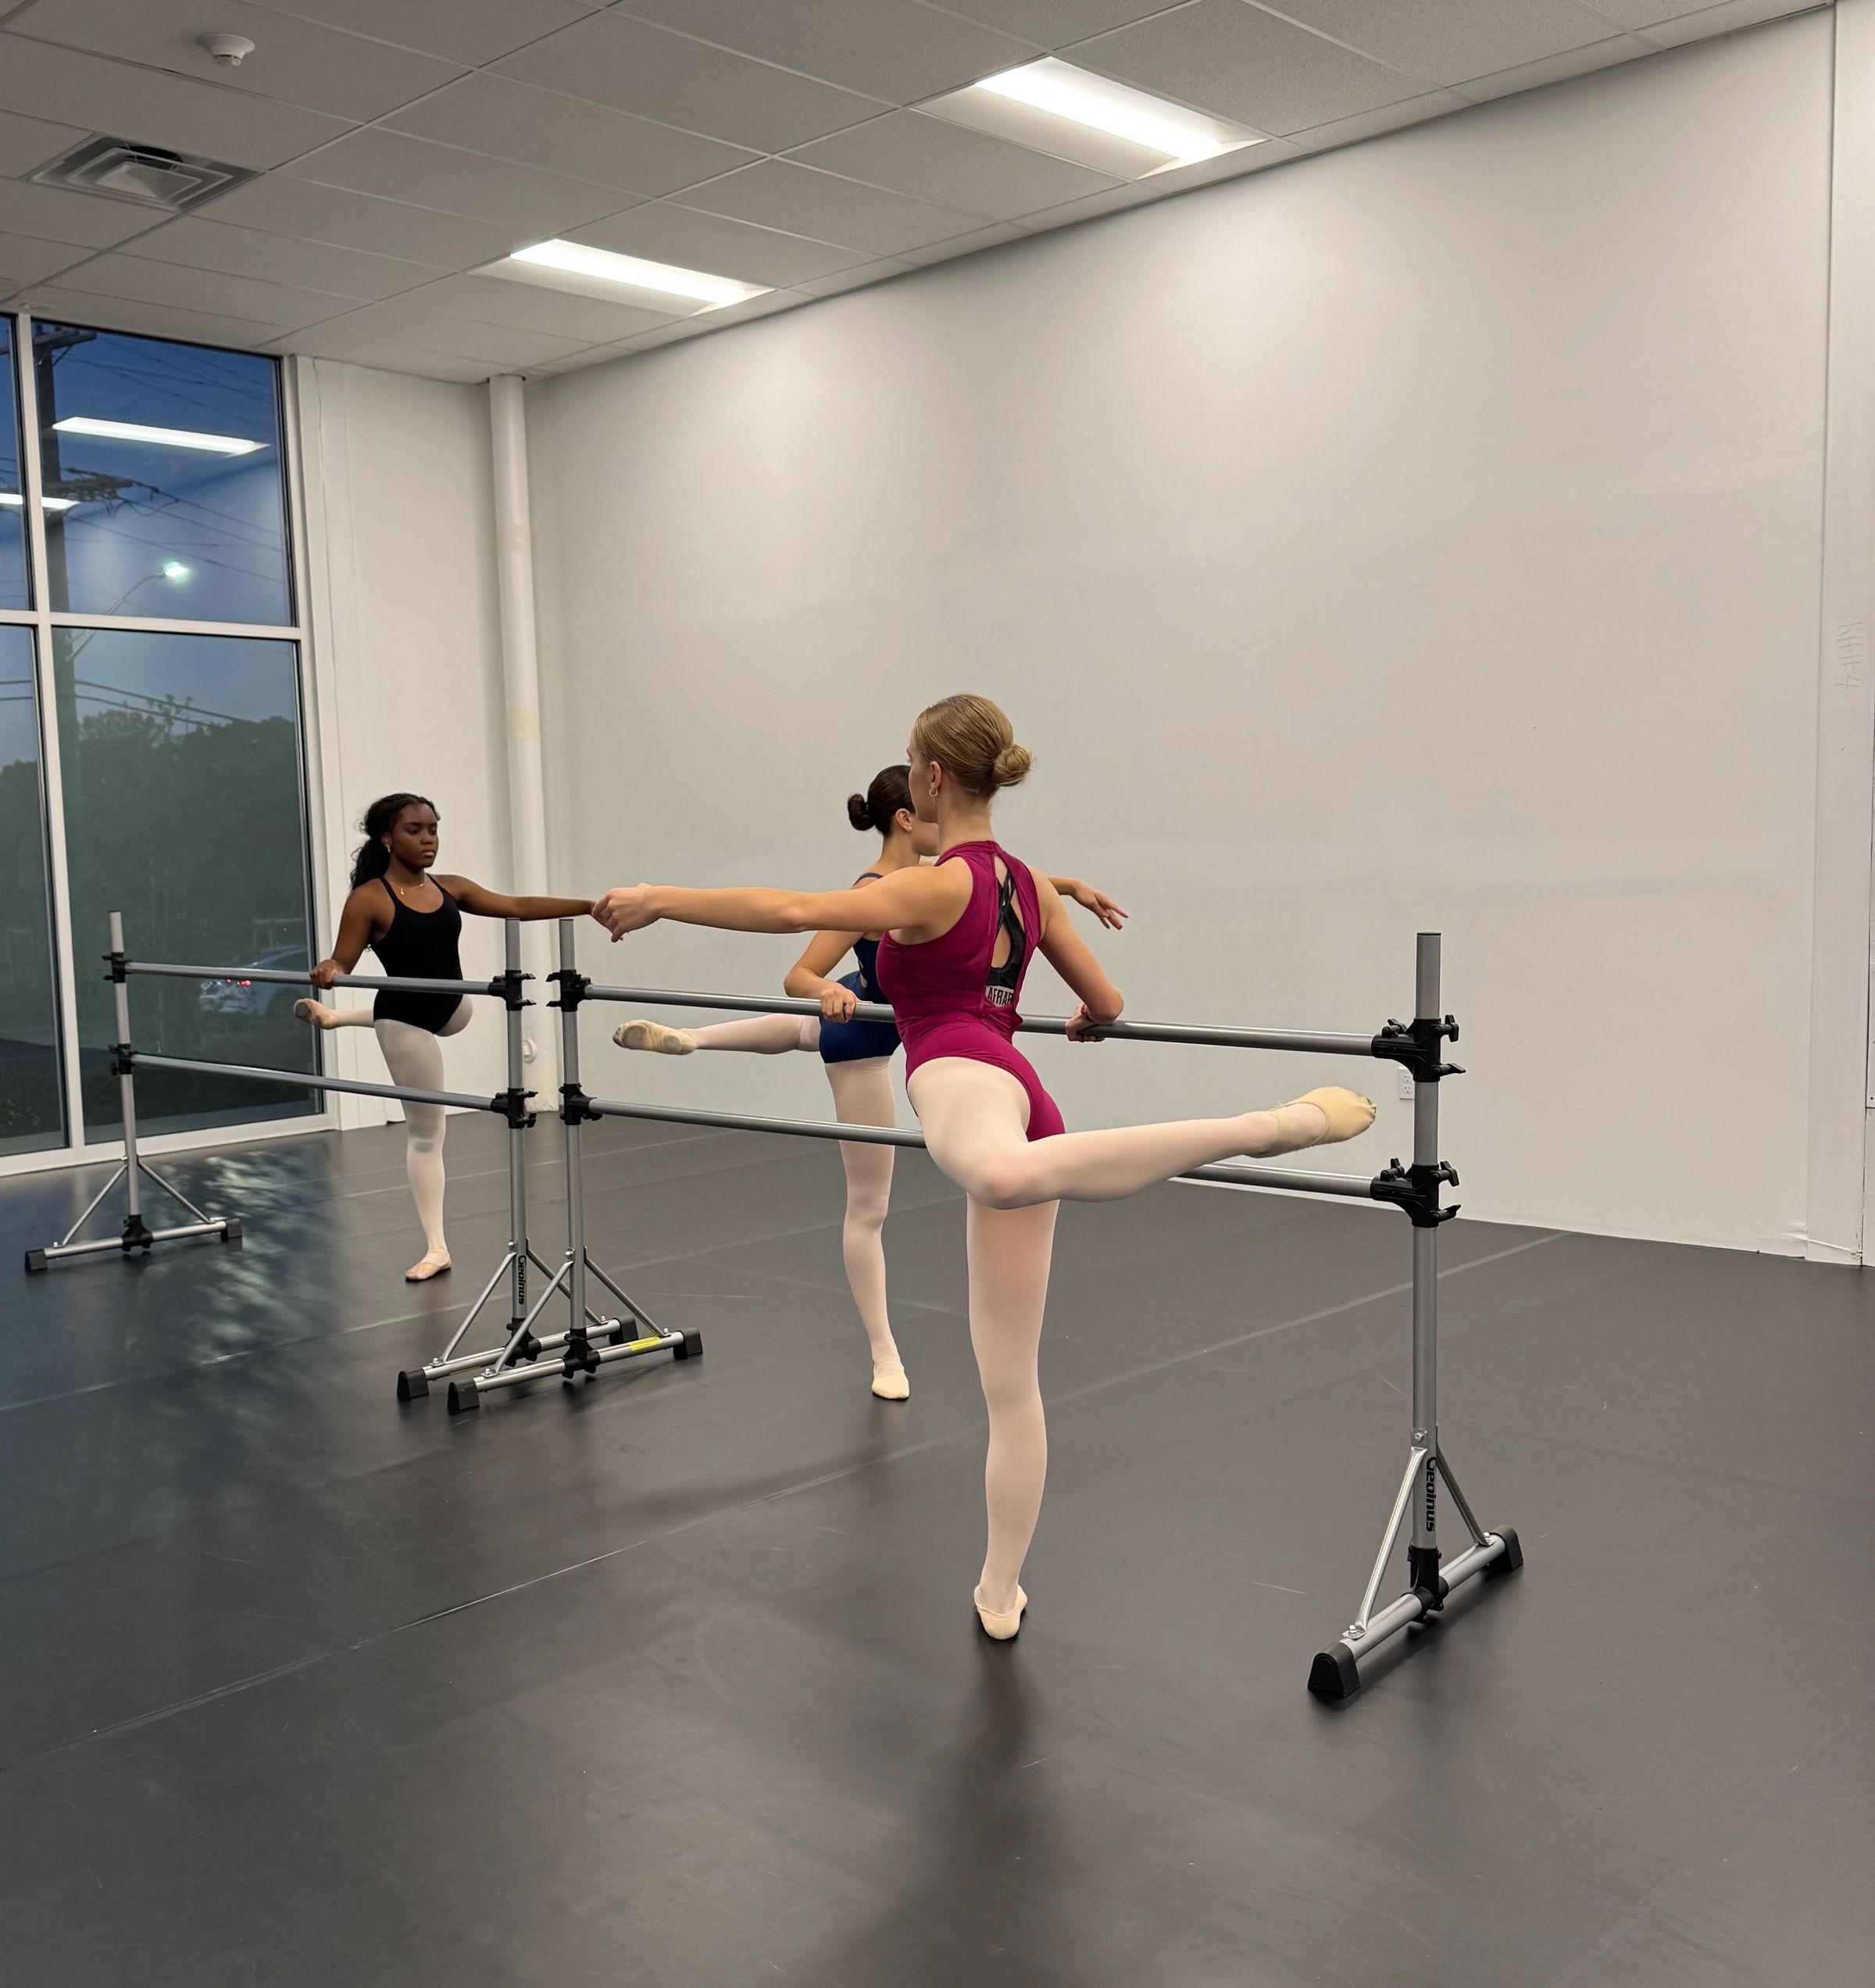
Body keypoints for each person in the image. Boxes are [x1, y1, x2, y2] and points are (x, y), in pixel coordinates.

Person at [594, 697, 1375, 1642]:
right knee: (1011, 1383)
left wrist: (656, 897)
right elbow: (1109, 998)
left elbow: (795, 912)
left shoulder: (933, 886)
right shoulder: (1029, 886)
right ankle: (1000, 1589)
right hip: (1018, 1084)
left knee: (1001, 1178)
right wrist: (1090, 1017)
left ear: (927, 780)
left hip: (961, 1077)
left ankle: (1263, 1127)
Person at [610, 765, 1124, 1403]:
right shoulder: (885, 890)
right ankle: (884, 1351)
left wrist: (1074, 889)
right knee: (869, 1204)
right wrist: (822, 988)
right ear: (909, 817)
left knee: (802, 1032)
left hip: (902, 1021)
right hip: (873, 1030)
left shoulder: (950, 880)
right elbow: (798, 952)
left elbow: (1014, 877)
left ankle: (700, 1037)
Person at [298, 793, 595, 1283]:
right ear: (388, 839)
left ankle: (338, 1019)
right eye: (414, 830)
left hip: (455, 1009)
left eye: (433, 828)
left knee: (462, 1010)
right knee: (427, 1134)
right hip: (405, 1020)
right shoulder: (370, 898)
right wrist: (329, 969)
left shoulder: (450, 888)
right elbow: (341, 961)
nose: (428, 838)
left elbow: (516, 905)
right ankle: (436, 1248)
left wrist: (589, 906)